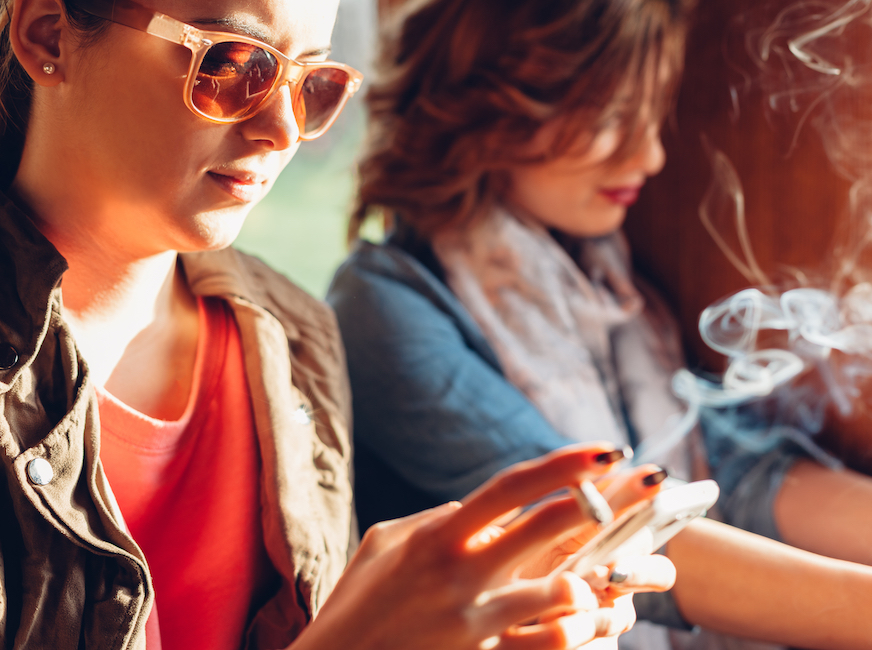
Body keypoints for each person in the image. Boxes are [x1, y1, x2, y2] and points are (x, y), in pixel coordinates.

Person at [0, 0, 678, 647]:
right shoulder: (374, 313)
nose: (284, 129)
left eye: (312, 84)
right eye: (232, 63)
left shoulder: (296, 341)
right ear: (47, 35)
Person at [328, 0, 872, 647]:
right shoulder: (386, 306)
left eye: (652, 119)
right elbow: (591, 529)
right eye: (614, 118)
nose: (648, 156)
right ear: (496, 100)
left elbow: (737, 479)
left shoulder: (615, 293)